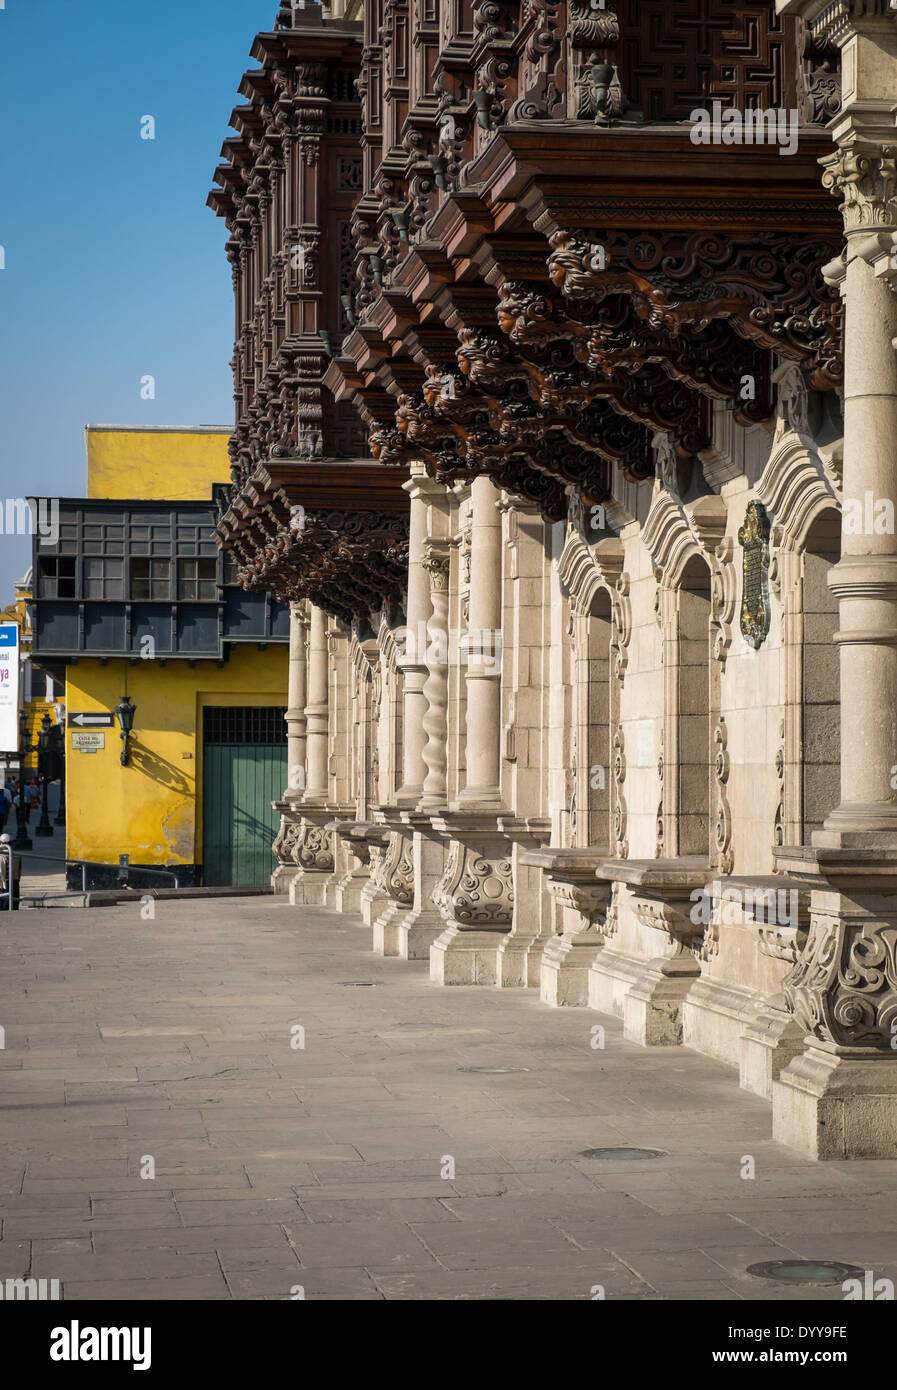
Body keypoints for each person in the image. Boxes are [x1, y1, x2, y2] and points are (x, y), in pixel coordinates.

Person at [0, 833, 21, 910]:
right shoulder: (17, 855)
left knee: (4, 906)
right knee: (15, 904)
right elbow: (19, 872)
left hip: (2, 884)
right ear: (11, 843)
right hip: (14, 882)